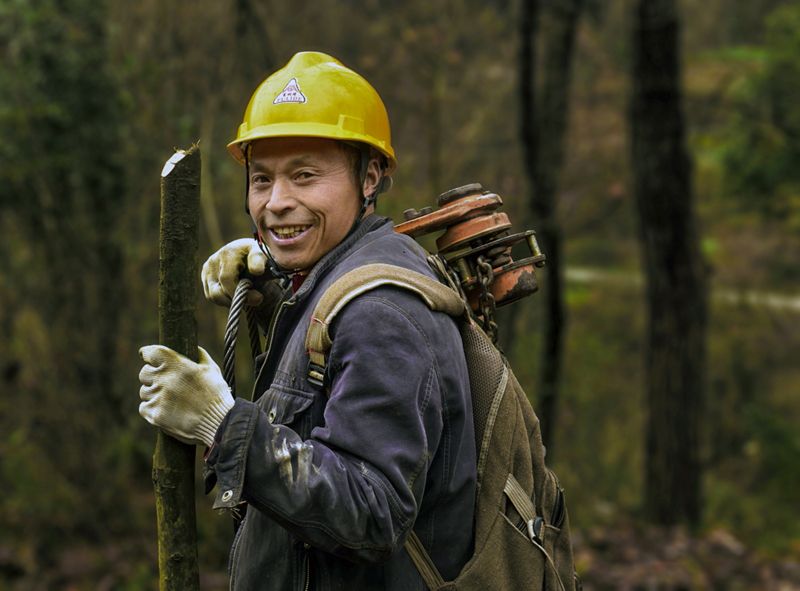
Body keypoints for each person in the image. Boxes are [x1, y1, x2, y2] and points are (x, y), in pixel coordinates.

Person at [137, 51, 476, 590]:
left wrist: (221, 424)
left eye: (305, 176)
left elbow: (372, 512)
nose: (277, 203)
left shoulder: (381, 312)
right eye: (262, 179)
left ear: (371, 177)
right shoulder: (338, 281)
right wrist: (276, 290)